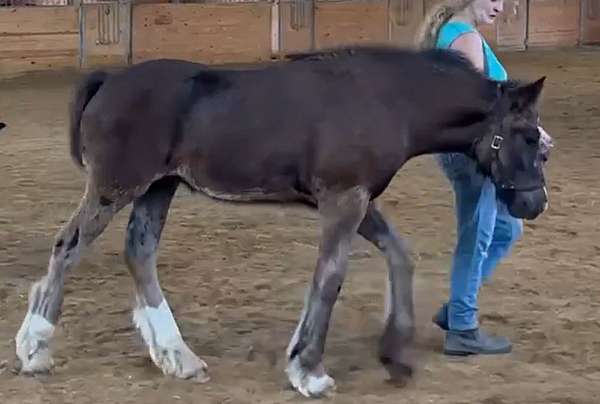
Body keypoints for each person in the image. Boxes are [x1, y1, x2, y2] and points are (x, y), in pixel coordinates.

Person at [414, 0, 554, 356]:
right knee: (477, 235)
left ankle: (458, 306)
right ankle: (462, 327)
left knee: (507, 229)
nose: (500, 5)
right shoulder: (465, 40)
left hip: (466, 150)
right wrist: (531, 133)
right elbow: (483, 109)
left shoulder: (458, 33)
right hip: (474, 154)